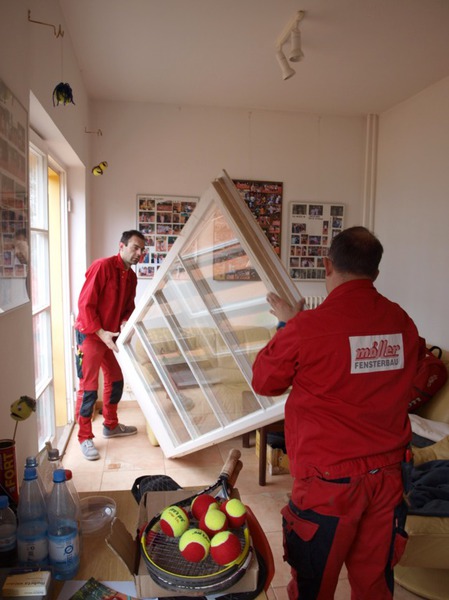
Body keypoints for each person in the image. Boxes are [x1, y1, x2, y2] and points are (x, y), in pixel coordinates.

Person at [252, 226, 423, 600]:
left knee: (314, 587)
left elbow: (264, 381)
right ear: (375, 273)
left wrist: (287, 324)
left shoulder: (307, 329)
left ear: (327, 265)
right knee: (375, 585)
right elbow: (408, 377)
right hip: (389, 479)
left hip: (328, 486)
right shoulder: (402, 323)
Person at [74, 230, 146, 460]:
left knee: (116, 380)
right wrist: (101, 333)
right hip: (91, 334)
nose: (139, 253)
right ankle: (84, 438)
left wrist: (125, 324)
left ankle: (111, 426)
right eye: (135, 247)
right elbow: (85, 304)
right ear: (121, 246)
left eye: (142, 249)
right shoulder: (102, 266)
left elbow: (128, 308)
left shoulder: (131, 277)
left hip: (110, 337)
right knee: (88, 389)